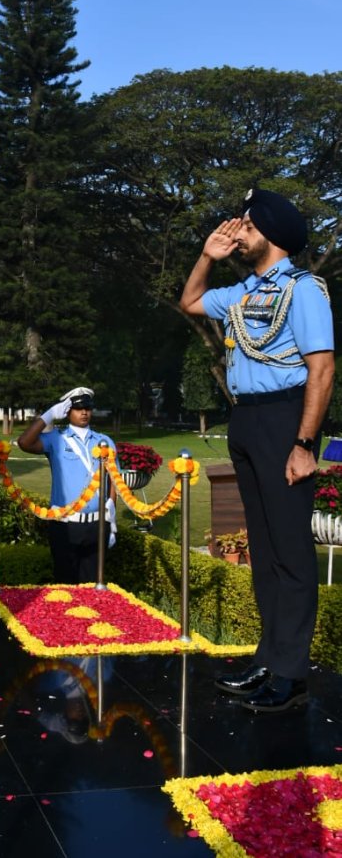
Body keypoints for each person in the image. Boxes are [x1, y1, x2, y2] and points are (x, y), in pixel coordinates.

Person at [180, 186, 334, 713]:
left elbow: (322, 369)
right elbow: (191, 302)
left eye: (244, 225)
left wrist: (304, 444)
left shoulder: (304, 289)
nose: (235, 232)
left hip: (285, 418)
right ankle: (269, 659)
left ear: (267, 231)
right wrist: (207, 255)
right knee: (264, 551)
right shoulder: (244, 291)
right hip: (246, 419)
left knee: (290, 551)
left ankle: (291, 675)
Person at [17, 387, 117, 583]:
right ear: (67, 411)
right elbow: (24, 442)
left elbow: (113, 480)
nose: (84, 412)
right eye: (78, 408)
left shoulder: (104, 441)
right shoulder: (56, 438)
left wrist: (111, 517)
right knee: (65, 585)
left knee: (93, 586)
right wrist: (49, 416)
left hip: (97, 524)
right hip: (65, 523)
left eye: (87, 408)